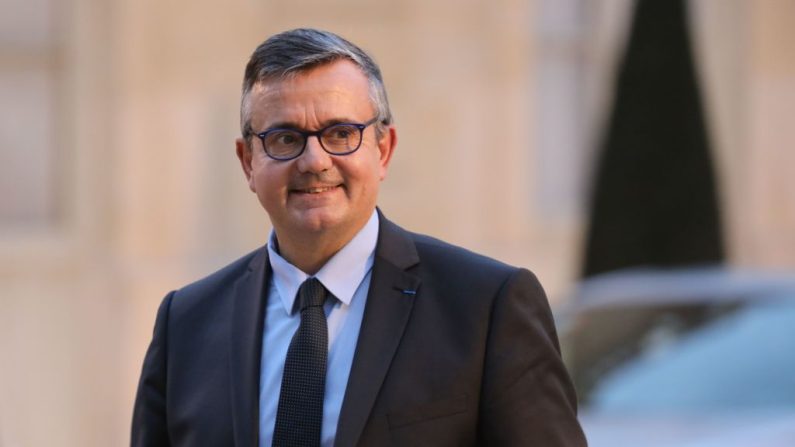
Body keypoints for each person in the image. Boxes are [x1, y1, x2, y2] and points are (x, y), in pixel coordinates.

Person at [132, 28, 586, 447]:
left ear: (383, 149)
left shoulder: (485, 307)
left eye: (341, 133)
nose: (314, 160)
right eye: (285, 139)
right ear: (247, 161)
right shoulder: (186, 323)